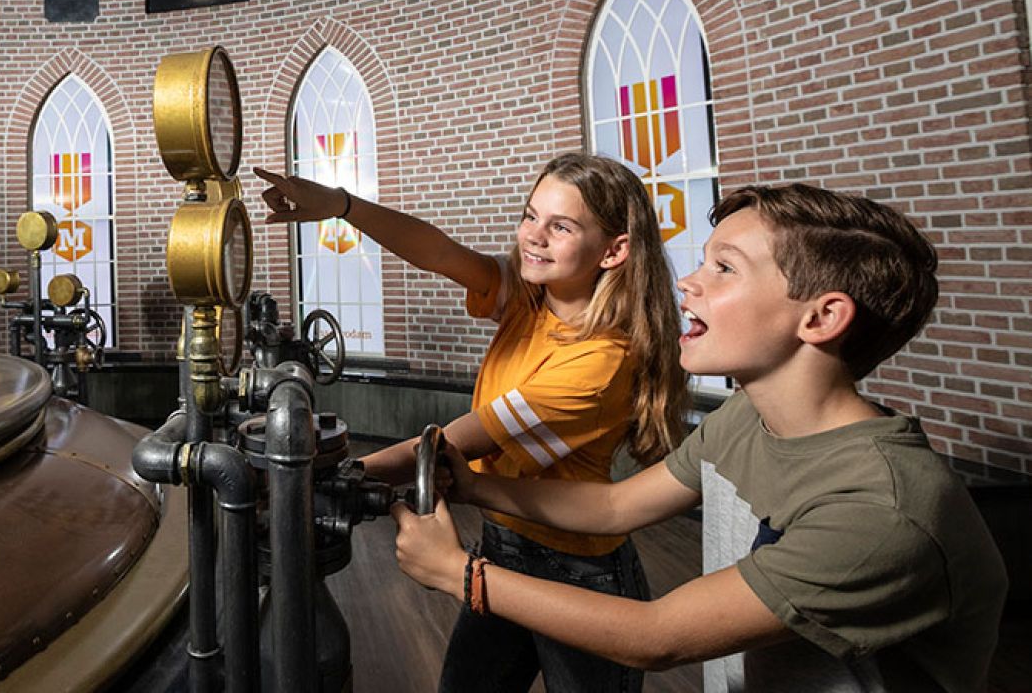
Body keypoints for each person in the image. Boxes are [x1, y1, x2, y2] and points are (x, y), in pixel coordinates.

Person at [393, 184, 1009, 692]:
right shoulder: (747, 418)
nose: (687, 282)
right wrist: (474, 487)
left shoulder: (883, 509)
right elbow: (615, 507)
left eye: (724, 268)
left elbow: (657, 636)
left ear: (821, 317)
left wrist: (458, 574)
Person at [255, 153, 688, 693]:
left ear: (614, 250)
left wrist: (309, 477)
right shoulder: (531, 298)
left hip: (581, 573)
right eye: (531, 216)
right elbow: (438, 252)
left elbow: (448, 445)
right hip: (502, 546)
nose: (534, 237)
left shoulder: (600, 362)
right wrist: (341, 205)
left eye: (561, 226)